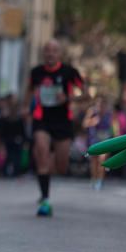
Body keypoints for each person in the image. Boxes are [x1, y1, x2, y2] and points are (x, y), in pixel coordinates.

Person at [27, 39, 83, 218]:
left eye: (54, 51)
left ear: (59, 54)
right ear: (43, 53)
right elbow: (28, 92)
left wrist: (67, 98)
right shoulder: (36, 72)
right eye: (47, 50)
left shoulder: (69, 72)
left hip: (62, 121)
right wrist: (25, 107)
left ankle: (47, 172)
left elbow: (86, 94)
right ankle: (45, 199)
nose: (50, 54)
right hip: (42, 119)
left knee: (61, 166)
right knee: (41, 151)